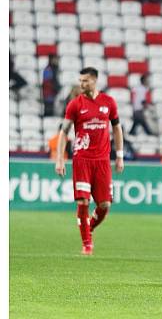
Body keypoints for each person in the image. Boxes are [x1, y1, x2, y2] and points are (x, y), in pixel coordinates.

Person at [55, 67, 124, 255]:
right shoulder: (75, 105)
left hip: (102, 160)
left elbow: (117, 129)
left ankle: (89, 226)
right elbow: (64, 132)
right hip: (82, 159)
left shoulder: (108, 102)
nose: (82, 84)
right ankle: (87, 243)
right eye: (80, 80)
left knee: (105, 205)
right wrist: (60, 159)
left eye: (85, 80)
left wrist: (119, 155)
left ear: (94, 80)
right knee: (83, 202)